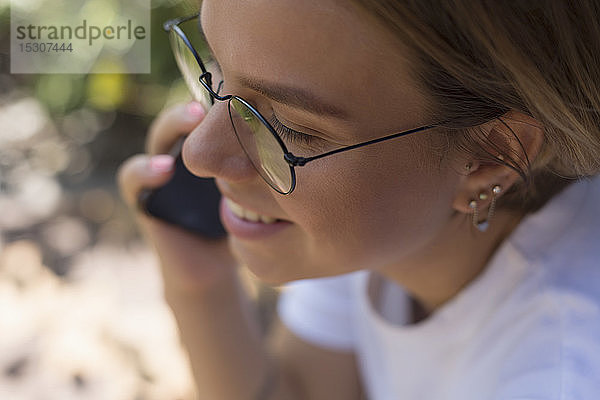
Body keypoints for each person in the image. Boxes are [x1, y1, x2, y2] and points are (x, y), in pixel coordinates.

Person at [117, 1, 600, 399]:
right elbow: (304, 387)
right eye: (217, 72)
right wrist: (201, 289)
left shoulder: (560, 373)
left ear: (491, 155)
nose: (200, 152)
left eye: (290, 128)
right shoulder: (385, 225)